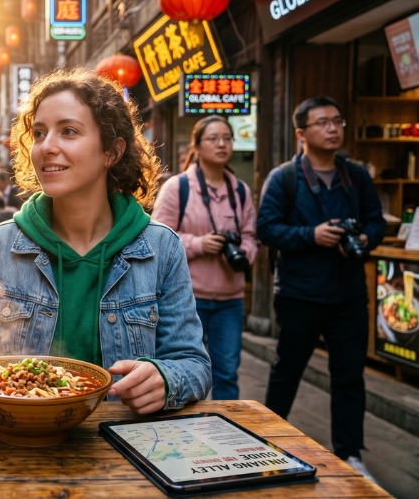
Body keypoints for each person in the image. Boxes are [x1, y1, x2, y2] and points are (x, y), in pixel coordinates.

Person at [0, 67, 211, 414]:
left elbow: (193, 364)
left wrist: (165, 377)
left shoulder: (161, 248)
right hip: (17, 437)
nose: (46, 147)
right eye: (39, 133)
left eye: (68, 131)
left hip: (126, 446)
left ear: (111, 151)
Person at [257, 96, 385, 477]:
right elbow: (267, 229)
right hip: (299, 293)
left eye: (337, 121)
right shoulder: (285, 177)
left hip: (348, 294)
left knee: (349, 376)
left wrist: (364, 239)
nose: (333, 128)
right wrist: (311, 235)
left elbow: (376, 221)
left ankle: (350, 454)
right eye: (323, 122)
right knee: (287, 370)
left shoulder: (355, 175)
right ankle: (265, 442)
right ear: (301, 133)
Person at [152, 115, 257, 400]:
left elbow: (250, 236)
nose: (221, 144)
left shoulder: (239, 191)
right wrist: (200, 244)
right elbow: (158, 239)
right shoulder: (178, 187)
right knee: (181, 372)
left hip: (229, 299)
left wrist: (243, 253)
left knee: (226, 373)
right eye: (213, 138)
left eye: (227, 138)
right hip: (187, 299)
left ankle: (228, 436)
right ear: (197, 146)